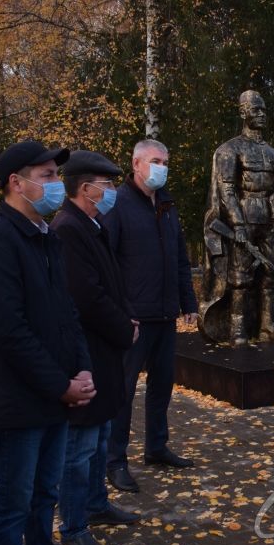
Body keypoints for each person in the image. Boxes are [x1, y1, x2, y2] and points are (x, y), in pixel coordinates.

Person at [0, 141, 101, 545]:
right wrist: (59, 384)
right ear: (16, 182)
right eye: (45, 175)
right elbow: (9, 331)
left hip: (54, 396)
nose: (53, 184)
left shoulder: (45, 236)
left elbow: (66, 314)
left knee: (44, 495)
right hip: (21, 401)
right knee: (12, 504)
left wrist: (82, 367)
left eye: (54, 175)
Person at [51, 151, 141, 545]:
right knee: (81, 447)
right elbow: (86, 296)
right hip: (88, 349)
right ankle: (73, 525)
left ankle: (96, 503)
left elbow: (111, 282)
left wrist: (127, 317)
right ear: (86, 189)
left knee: (101, 432)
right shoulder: (69, 228)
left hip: (104, 348)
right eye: (106, 185)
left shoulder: (92, 223)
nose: (112, 192)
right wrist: (124, 327)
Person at [102, 139, 198, 493]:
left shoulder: (167, 204)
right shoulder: (118, 204)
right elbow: (107, 262)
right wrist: (119, 312)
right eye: (156, 160)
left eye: (166, 160)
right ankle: (115, 460)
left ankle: (156, 447)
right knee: (122, 391)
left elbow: (179, 258)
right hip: (133, 319)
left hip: (165, 314)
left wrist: (188, 301)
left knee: (162, 386)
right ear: (136, 163)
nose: (162, 167)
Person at [201, 90, 274, 345]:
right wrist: (238, 224)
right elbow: (226, 189)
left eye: (263, 110)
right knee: (240, 277)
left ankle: (268, 326)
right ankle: (237, 329)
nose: (261, 114)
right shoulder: (230, 149)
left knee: (272, 275)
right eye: (255, 110)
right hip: (243, 216)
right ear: (243, 113)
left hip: (271, 219)